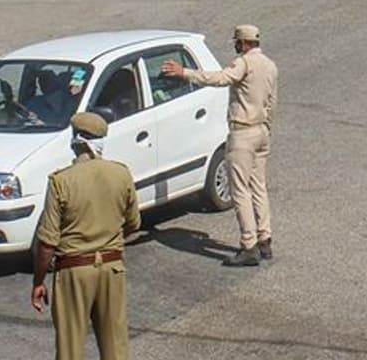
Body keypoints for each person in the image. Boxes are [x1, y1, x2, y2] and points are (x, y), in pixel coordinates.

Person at [162, 25, 278, 266]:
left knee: (239, 190)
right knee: (258, 186)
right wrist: (266, 125)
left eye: (237, 41)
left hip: (243, 131)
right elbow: (272, 101)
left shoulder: (243, 63)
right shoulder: (270, 65)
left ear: (245, 43)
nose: (235, 45)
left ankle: (249, 245)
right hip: (262, 131)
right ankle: (265, 238)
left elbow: (221, 79)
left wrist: (185, 73)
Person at [32, 112, 141, 360]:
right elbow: (134, 223)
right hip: (113, 268)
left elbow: (48, 241)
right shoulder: (121, 173)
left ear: (76, 141)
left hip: (74, 270)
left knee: (70, 348)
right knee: (116, 347)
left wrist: (38, 281)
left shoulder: (62, 181)